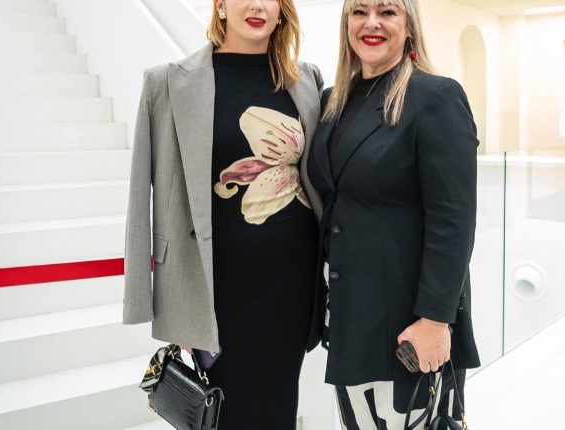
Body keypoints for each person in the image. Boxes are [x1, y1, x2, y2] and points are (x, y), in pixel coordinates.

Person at [122, 0, 325, 427]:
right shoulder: (167, 83)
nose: (256, 5)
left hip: (291, 288)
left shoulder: (305, 80)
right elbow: (141, 192)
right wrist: (157, 301)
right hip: (216, 293)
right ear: (219, 6)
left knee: (278, 407)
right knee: (224, 413)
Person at [306, 0, 480, 427]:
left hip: (408, 324)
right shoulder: (332, 101)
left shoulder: (436, 97)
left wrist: (435, 320)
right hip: (349, 316)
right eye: (359, 12)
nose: (372, 23)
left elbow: (453, 219)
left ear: (409, 26)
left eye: (387, 12)